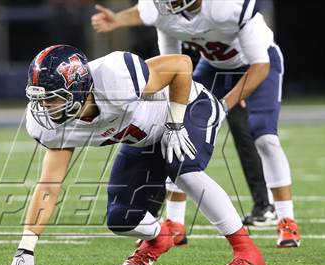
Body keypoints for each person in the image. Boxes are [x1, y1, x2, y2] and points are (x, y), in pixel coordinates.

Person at [0, 44, 266, 265]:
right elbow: (48, 186)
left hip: (189, 109)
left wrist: (174, 125)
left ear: (78, 87)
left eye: (52, 98)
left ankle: (247, 251)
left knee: (182, 168)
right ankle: (159, 239)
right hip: (143, 138)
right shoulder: (52, 126)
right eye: (40, 99)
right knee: (121, 218)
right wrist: (26, 248)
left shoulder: (115, 77)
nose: (45, 107)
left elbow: (181, 66)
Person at [91, 0, 300, 248]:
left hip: (257, 63)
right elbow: (170, 62)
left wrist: (225, 103)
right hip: (212, 66)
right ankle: (174, 223)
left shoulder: (227, 7)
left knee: (264, 137)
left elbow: (260, 65)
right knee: (174, 134)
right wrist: (118, 19)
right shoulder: (161, 10)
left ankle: (286, 219)